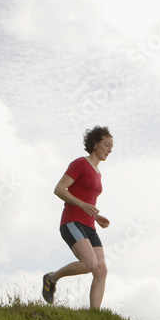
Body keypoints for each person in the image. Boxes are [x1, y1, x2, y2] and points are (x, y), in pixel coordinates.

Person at [42, 126, 112, 309]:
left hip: (89, 224)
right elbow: (59, 189)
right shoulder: (80, 163)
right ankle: (52, 278)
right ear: (95, 144)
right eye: (106, 145)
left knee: (101, 269)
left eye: (111, 147)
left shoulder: (98, 173)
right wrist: (81, 205)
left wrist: (96, 216)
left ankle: (95, 316)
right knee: (89, 264)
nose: (109, 150)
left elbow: (86, 198)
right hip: (72, 221)